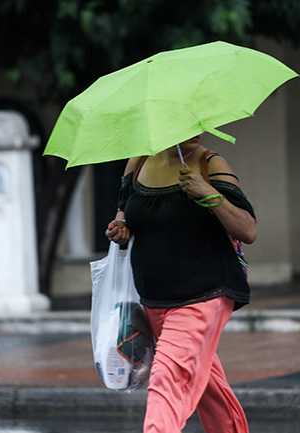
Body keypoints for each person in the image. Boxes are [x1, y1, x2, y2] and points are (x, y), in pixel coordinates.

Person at [105, 134, 256, 433]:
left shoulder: (210, 164)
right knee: (210, 388)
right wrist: (120, 227)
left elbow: (247, 229)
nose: (194, 130)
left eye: (196, 120)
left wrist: (207, 193)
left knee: (167, 377)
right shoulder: (137, 164)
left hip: (204, 295)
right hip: (154, 301)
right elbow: (124, 211)